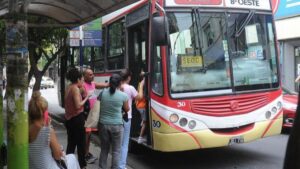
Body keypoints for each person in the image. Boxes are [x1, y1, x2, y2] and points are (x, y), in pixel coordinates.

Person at [29, 91, 80, 169]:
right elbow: (58, 156)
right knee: (72, 157)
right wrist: (49, 126)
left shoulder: (24, 130)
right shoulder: (47, 130)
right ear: (45, 112)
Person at [98, 74, 129, 169]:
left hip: (103, 124)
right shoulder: (123, 95)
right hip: (117, 126)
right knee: (116, 151)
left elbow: (99, 102)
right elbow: (127, 109)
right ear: (120, 83)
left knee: (104, 149)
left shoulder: (103, 93)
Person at [64, 68, 90, 169]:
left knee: (71, 143)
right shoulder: (75, 88)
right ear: (78, 79)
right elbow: (78, 105)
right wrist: (87, 98)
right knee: (80, 144)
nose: (83, 81)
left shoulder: (69, 87)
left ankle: (67, 164)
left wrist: (82, 89)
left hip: (69, 119)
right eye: (82, 79)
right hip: (77, 119)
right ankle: (82, 165)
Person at [119, 69, 144, 169]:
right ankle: (121, 166)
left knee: (118, 143)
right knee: (124, 144)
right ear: (128, 77)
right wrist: (141, 85)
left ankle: (116, 164)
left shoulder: (117, 87)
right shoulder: (130, 88)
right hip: (126, 118)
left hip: (116, 119)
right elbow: (140, 97)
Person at [82, 68, 108, 164]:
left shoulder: (93, 84)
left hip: (92, 114)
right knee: (87, 135)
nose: (92, 76)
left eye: (92, 74)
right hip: (86, 115)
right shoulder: (82, 86)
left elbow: (104, 85)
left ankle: (86, 153)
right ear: (84, 76)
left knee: (89, 136)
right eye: (89, 74)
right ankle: (84, 155)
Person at [136, 72, 147, 144]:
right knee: (145, 122)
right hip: (142, 106)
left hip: (139, 106)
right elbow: (142, 96)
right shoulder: (142, 83)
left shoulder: (140, 83)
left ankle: (141, 123)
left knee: (143, 120)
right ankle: (140, 138)